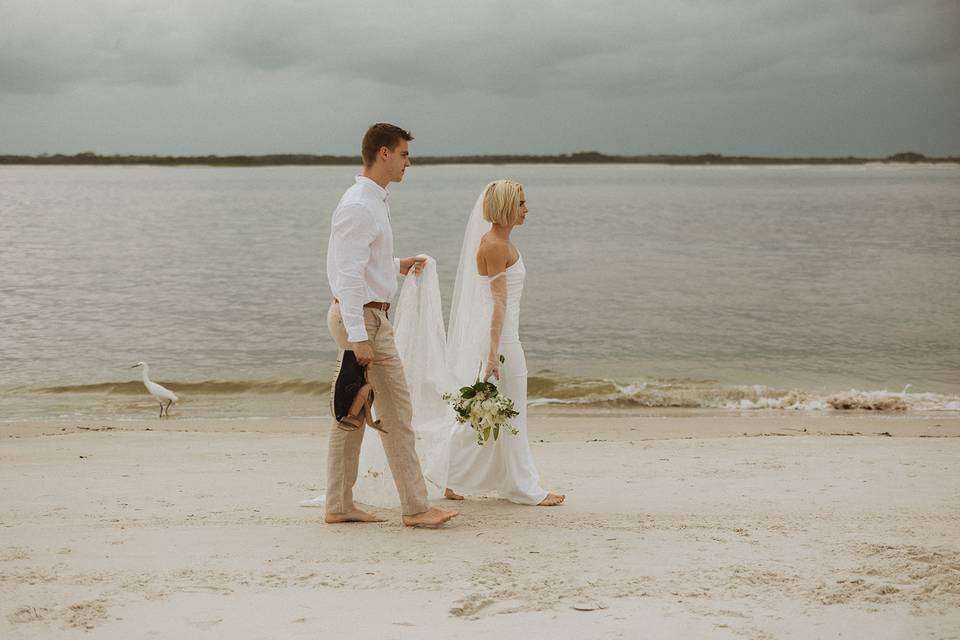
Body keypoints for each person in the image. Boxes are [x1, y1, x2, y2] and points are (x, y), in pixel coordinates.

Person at [324, 122, 457, 527]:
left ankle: (338, 505)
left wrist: (394, 266)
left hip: (366, 315)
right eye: (403, 154)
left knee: (351, 411)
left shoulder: (373, 200)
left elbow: (361, 264)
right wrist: (360, 338)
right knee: (397, 413)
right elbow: (346, 277)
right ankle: (416, 508)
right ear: (383, 153)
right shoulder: (359, 205)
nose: (407, 163)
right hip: (363, 319)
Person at [436, 180, 565, 506]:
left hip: (503, 339)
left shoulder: (500, 243)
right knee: (503, 413)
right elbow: (497, 304)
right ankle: (522, 487)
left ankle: (444, 474)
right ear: (507, 207)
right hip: (503, 342)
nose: (526, 209)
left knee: (486, 413)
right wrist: (493, 355)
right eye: (521, 203)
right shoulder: (494, 245)